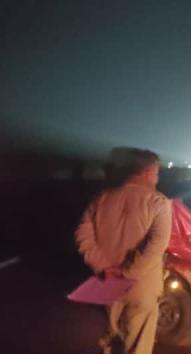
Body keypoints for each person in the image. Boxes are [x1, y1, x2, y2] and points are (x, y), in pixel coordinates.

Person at [75, 148, 172, 354]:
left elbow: (83, 236)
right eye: (156, 173)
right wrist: (128, 272)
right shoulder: (158, 202)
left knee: (108, 338)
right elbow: (157, 244)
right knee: (138, 345)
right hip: (142, 285)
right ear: (146, 171)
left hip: (108, 283)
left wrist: (104, 267)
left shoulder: (102, 198)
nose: (157, 178)